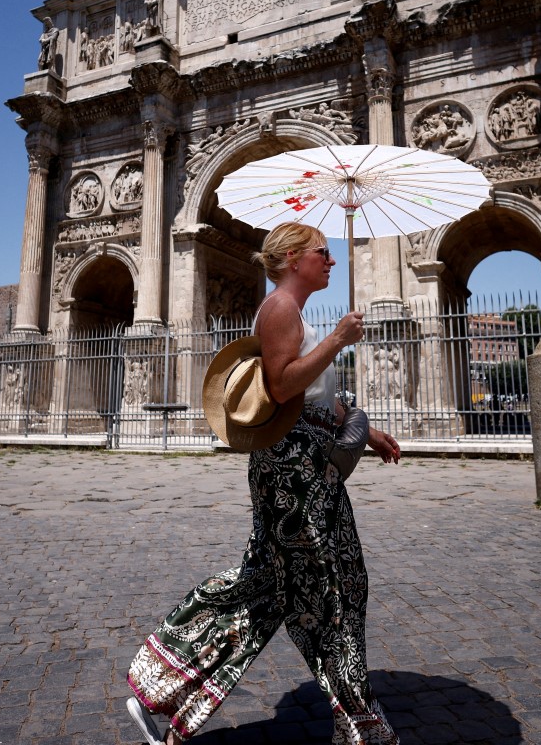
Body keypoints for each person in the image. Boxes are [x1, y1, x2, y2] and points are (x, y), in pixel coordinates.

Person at [125, 221, 402, 745]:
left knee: (287, 584)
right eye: (324, 252)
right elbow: (280, 384)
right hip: (290, 474)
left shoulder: (294, 315)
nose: (332, 261)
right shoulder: (278, 310)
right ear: (296, 257)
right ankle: (358, 719)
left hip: (310, 468)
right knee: (327, 587)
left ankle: (159, 688)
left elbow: (315, 398)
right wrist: (339, 340)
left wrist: (369, 433)